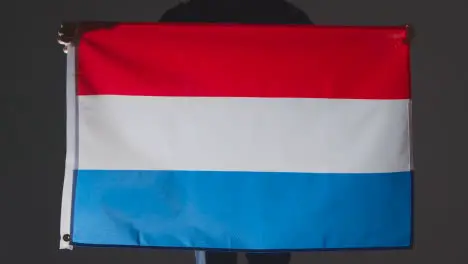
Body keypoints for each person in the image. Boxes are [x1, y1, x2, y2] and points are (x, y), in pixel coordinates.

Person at [57, 1, 312, 263]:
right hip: (207, 161)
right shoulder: (186, 16)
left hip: (264, 162)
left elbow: (321, 62)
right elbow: (137, 56)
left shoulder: (284, 15)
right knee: (219, 250)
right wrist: (87, 42)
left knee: (264, 251)